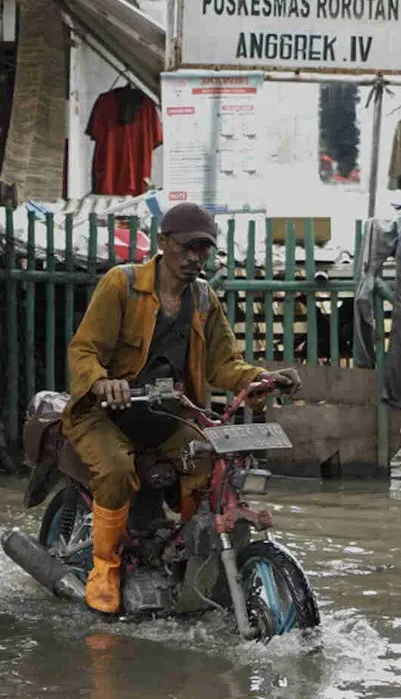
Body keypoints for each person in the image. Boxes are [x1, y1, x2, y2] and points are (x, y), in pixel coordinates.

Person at [63, 202, 300, 615]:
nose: (195, 258)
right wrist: (103, 382)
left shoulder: (205, 298)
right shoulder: (122, 284)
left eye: (204, 249)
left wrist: (261, 378)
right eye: (188, 248)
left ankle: (190, 561)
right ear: (162, 243)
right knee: (117, 471)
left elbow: (224, 364)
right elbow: (84, 350)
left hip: (166, 416)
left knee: (210, 465)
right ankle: (105, 569)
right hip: (104, 415)